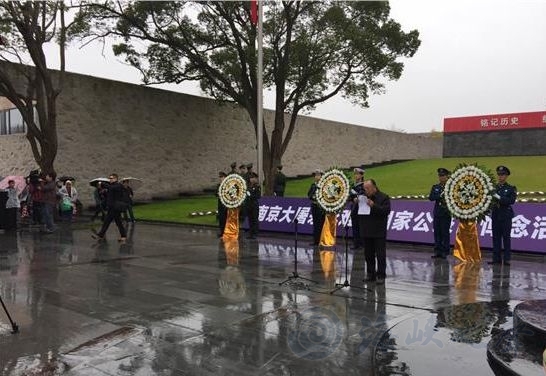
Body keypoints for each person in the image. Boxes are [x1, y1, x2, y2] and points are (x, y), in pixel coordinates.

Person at [360, 179, 391, 284]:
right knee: (368, 254)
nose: (366, 191)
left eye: (368, 188)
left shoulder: (384, 197)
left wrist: (374, 206)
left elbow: (385, 211)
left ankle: (381, 275)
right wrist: (356, 203)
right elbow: (356, 213)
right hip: (366, 230)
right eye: (365, 189)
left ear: (374, 187)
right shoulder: (363, 198)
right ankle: (370, 274)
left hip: (378, 231)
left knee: (380, 254)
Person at [489, 165, 517, 266]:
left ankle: (506, 259)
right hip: (496, 215)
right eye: (499, 175)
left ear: (506, 176)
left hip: (505, 216)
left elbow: (511, 201)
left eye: (503, 175)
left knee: (506, 237)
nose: (500, 176)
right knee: (496, 237)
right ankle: (496, 258)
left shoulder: (510, 188)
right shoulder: (494, 188)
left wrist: (498, 197)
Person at [92, 173, 128, 242]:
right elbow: (109, 196)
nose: (110, 179)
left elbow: (111, 188)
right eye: (109, 178)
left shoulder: (118, 185)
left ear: (116, 179)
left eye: (111, 178)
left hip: (116, 208)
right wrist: (103, 191)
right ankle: (123, 236)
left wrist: (102, 183)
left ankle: (100, 235)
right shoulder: (111, 186)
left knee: (107, 222)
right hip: (111, 207)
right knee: (116, 222)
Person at [429, 168, 452, 259]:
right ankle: (437, 251)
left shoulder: (450, 187)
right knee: (437, 233)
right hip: (437, 213)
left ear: (447, 176)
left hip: (445, 213)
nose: (441, 178)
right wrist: (439, 196)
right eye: (440, 176)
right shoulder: (436, 187)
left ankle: (445, 251)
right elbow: (431, 197)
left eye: (443, 176)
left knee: (445, 233)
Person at [307, 169, 325, 246]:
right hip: (314, 206)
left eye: (318, 175)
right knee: (315, 224)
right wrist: (313, 197)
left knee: (321, 224)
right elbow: (309, 194)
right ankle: (316, 241)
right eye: (315, 175)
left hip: (321, 207)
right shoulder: (313, 185)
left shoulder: (324, 186)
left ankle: (322, 241)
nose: (316, 177)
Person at [349, 167, 365, 249]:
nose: (356, 175)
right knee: (354, 225)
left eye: (358, 174)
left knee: (360, 226)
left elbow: (364, 195)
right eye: (355, 174)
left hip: (361, 208)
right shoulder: (353, 186)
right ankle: (356, 244)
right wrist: (352, 198)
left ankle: (362, 244)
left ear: (361, 175)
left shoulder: (364, 185)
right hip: (354, 207)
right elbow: (349, 197)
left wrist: (357, 198)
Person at [246, 172, 261, 239]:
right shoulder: (248, 186)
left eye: (252, 178)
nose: (251, 179)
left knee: (255, 219)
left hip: (254, 205)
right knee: (250, 219)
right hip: (249, 205)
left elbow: (258, 196)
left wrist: (251, 195)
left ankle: (255, 233)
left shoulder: (257, 186)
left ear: (255, 179)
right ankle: (251, 233)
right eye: (250, 178)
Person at [216, 171, 228, 238]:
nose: (221, 178)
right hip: (220, 204)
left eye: (222, 177)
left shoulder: (227, 185)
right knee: (221, 219)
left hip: (225, 204)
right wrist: (217, 193)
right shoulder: (219, 185)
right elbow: (215, 193)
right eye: (220, 177)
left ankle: (226, 232)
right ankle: (222, 232)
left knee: (225, 218)